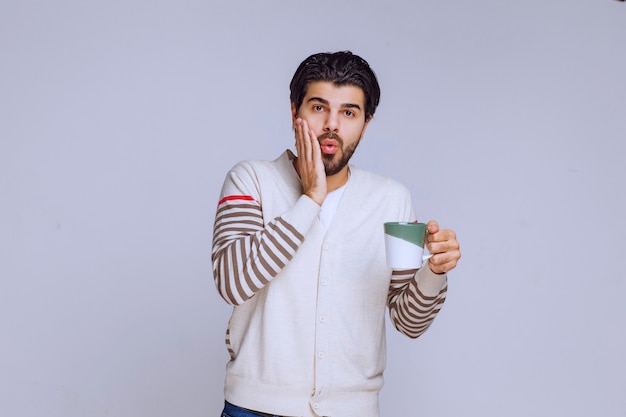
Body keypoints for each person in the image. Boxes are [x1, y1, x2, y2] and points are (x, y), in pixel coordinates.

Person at [212, 51, 461, 417]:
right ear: (295, 109)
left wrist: (434, 271)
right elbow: (232, 282)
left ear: (366, 122)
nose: (332, 125)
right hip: (255, 408)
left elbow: (408, 321)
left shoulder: (392, 200)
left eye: (349, 112)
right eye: (318, 107)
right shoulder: (251, 180)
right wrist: (311, 199)